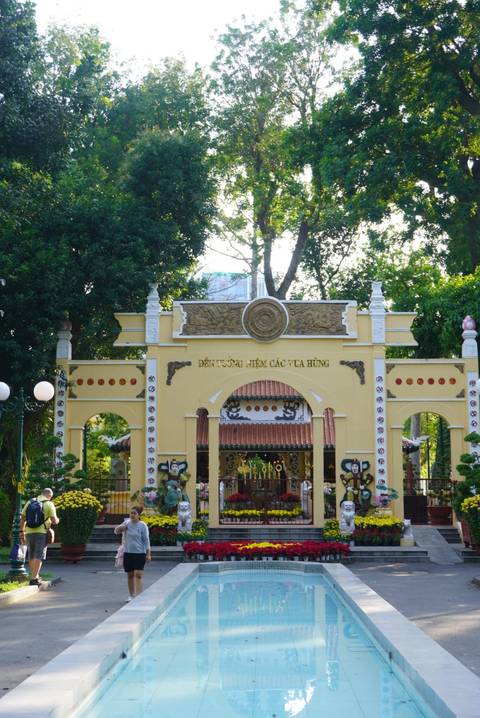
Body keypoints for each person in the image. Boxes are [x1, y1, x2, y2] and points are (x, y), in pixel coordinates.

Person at [20, 487, 59, 586]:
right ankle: (34, 578)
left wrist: (22, 530)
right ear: (50, 495)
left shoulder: (30, 502)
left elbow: (23, 517)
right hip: (41, 532)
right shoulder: (49, 504)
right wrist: (57, 520)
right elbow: (54, 521)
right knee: (39, 555)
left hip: (29, 532)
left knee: (31, 555)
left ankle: (35, 576)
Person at [114, 506, 151, 601]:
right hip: (128, 553)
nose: (132, 515)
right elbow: (116, 531)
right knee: (130, 575)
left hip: (140, 553)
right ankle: (131, 595)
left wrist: (148, 554)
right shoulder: (126, 523)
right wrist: (122, 527)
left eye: (134, 513)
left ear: (139, 515)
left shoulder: (142, 525)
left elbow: (146, 540)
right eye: (131, 513)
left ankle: (139, 596)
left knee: (138, 574)